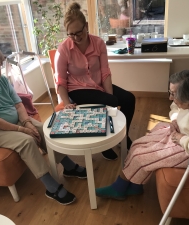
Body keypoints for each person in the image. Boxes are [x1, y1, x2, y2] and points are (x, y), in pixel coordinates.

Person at [0, 43, 87, 205]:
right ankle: (50, 187)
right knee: (26, 141)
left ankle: (68, 166)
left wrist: (27, 123)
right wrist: (22, 130)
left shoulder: (2, 80)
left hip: (15, 121)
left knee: (47, 131)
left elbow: (18, 104)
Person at [95, 69, 189, 200]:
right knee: (138, 143)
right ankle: (135, 185)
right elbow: (177, 107)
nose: (170, 98)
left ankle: (119, 188)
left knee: (140, 155)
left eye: (173, 94)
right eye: (170, 92)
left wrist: (183, 139)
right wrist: (176, 119)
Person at [54, 2, 136, 161]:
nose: (76, 38)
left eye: (79, 32)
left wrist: (109, 96)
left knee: (129, 98)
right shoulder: (63, 49)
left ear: (86, 26)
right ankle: (104, 144)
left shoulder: (98, 43)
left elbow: (105, 72)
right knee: (109, 101)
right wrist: (66, 102)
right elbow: (61, 81)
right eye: (71, 34)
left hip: (98, 84)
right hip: (77, 89)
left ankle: (121, 136)